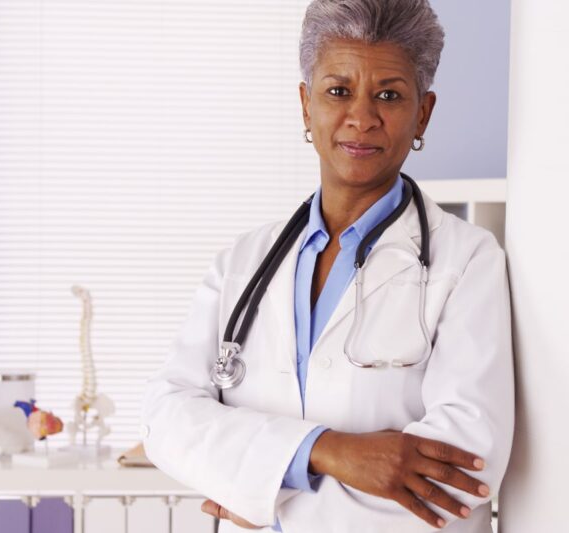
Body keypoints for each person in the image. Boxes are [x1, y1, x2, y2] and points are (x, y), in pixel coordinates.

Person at [140, 0, 514, 532]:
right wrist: (329, 451)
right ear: (305, 104)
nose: (361, 117)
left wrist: (257, 488)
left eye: (389, 94)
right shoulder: (241, 264)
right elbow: (165, 419)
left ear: (423, 113)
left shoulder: (467, 262)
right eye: (338, 91)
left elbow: (460, 472)